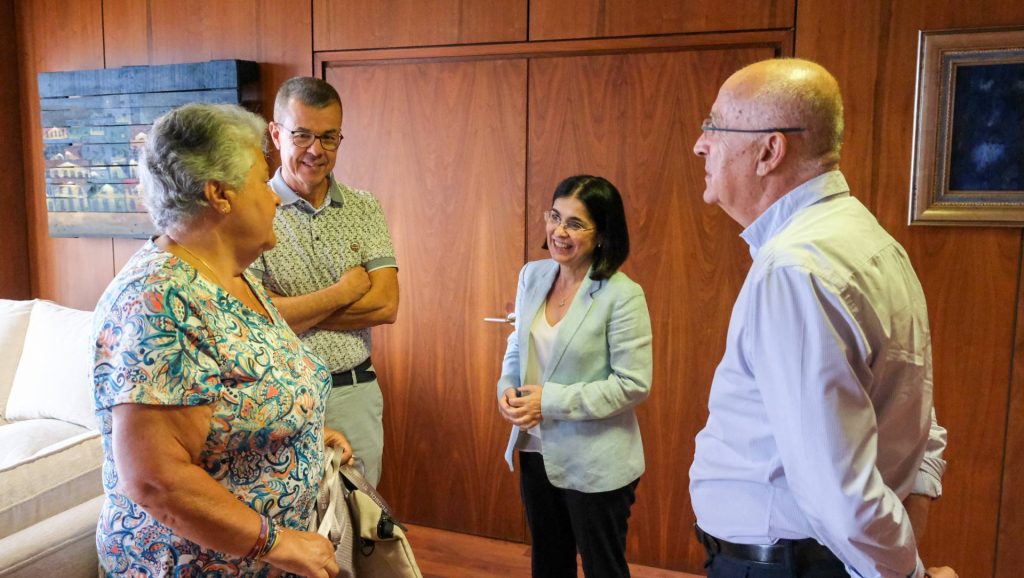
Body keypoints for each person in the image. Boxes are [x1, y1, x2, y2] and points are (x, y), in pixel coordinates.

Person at [688, 58, 957, 578]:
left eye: (714, 127)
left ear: (770, 151)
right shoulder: (869, 241)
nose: (701, 144)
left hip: (787, 566)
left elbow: (834, 487)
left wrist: (909, 576)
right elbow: (915, 414)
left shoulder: (796, 268)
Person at [92, 103, 362, 577]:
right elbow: (157, 479)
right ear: (219, 194)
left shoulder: (231, 275)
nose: (274, 197)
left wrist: (299, 433)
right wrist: (276, 542)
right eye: (262, 180)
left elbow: (236, 399)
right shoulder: (160, 298)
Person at [497, 175, 653, 578]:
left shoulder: (622, 294)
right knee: (549, 564)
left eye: (575, 224)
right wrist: (507, 389)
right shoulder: (533, 275)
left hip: (596, 462)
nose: (558, 232)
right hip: (536, 450)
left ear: (602, 234)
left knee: (604, 569)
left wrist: (547, 401)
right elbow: (519, 342)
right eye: (554, 216)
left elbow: (632, 384)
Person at [252, 76, 399, 487]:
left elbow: (386, 305)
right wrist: (345, 292)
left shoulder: (364, 207)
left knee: (362, 521)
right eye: (302, 135)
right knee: (294, 524)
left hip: (354, 392)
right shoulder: (255, 210)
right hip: (279, 398)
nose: (316, 150)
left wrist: (294, 309)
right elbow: (256, 318)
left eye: (329, 137)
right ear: (276, 133)